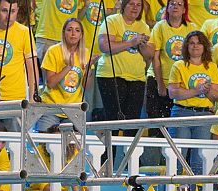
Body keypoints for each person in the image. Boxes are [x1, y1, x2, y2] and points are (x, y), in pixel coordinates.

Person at [167, 30, 218, 176]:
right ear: (186, 46)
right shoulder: (179, 65)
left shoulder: (212, 66)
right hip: (181, 112)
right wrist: (197, 90)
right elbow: (173, 93)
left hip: (204, 115)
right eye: (191, 43)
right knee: (177, 158)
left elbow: (216, 95)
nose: (195, 46)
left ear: (204, 47)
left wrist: (207, 91)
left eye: (199, 43)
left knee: (200, 160)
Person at [96, 0, 151, 134]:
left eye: (138, 5)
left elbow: (149, 55)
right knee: (113, 120)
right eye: (132, 4)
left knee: (132, 123)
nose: (135, 8)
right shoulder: (112, 21)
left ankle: (129, 155)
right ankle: (109, 154)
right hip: (111, 76)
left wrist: (142, 44)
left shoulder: (143, 26)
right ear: (124, 5)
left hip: (137, 78)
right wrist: (131, 43)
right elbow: (104, 46)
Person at [38, 18, 87, 132]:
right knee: (45, 147)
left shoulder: (85, 53)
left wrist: (88, 69)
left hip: (73, 110)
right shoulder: (53, 51)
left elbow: (87, 86)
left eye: (77, 30)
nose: (73, 33)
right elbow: (50, 83)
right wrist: (67, 68)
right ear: (64, 33)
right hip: (51, 108)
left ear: (81, 35)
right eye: (69, 30)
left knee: (71, 148)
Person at [148, 0, 194, 119]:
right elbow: (155, 57)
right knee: (158, 122)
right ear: (167, 8)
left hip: (180, 82)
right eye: (172, 4)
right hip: (159, 79)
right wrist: (160, 84)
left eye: (179, 4)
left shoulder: (191, 28)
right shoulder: (160, 26)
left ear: (184, 10)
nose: (175, 7)